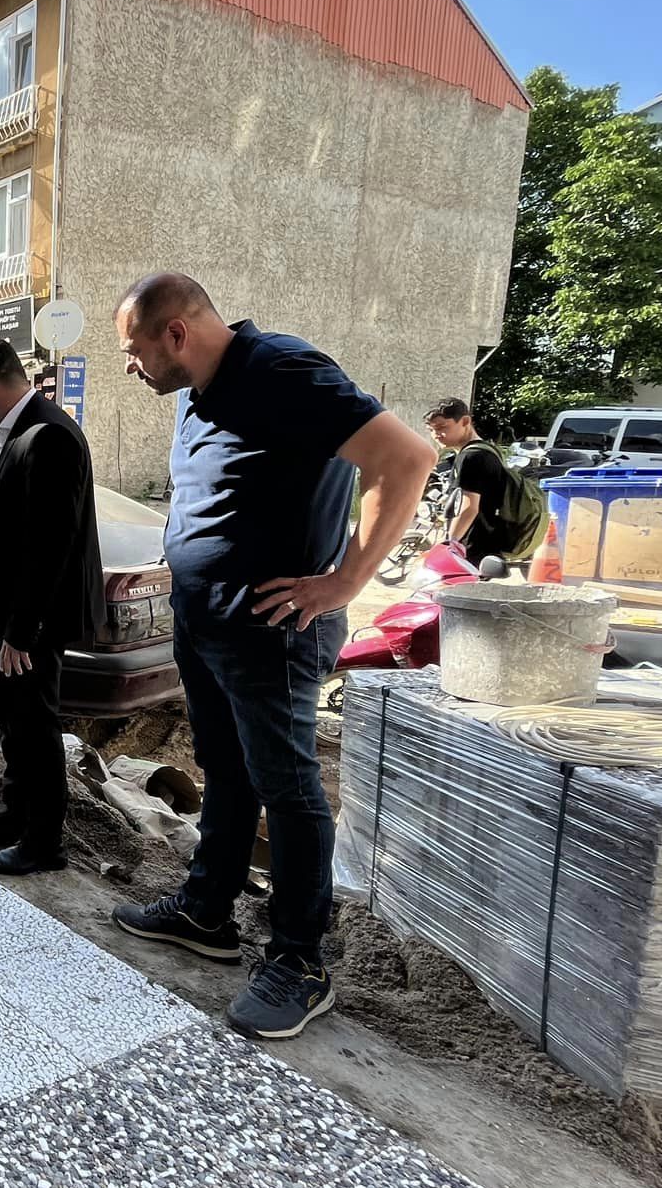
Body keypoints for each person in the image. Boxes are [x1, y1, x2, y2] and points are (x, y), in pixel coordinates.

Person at [109, 274, 435, 1040]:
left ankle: (300, 960)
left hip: (272, 630)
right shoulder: (197, 393)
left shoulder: (283, 371)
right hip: (206, 623)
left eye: (134, 349)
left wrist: (345, 580)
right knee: (223, 769)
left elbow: (406, 461)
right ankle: (208, 910)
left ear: (177, 333)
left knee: (288, 789)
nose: (131, 365)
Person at [0, 336, 104, 875]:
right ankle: (16, 816)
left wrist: (21, 628)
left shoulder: (49, 435)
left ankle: (43, 843)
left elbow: (50, 544)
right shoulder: (16, 430)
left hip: (29, 625)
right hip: (7, 615)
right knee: (12, 719)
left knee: (35, 726)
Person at [425, 398, 543, 565]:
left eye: (442, 427)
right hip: (488, 547)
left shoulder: (472, 456)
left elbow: (469, 507)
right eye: (431, 429)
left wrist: (451, 545)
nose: (436, 435)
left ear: (465, 421)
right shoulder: (489, 451)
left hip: (473, 549)